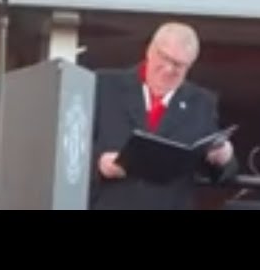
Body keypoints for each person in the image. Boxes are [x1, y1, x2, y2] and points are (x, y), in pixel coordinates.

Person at [89, 22, 238, 210]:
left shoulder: (201, 104)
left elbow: (220, 173)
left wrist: (224, 159)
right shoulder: (104, 85)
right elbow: (69, 147)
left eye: (178, 65)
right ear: (150, 50)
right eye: (164, 57)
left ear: (189, 65)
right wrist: (98, 163)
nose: (168, 69)